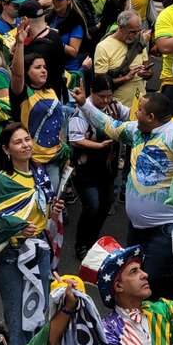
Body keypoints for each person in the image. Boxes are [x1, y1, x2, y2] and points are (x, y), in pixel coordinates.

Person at [71, 84, 173, 301]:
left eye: (140, 110)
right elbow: (108, 125)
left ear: (151, 117)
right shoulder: (135, 131)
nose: (135, 113)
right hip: (138, 228)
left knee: (148, 277)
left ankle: (172, 312)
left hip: (169, 227)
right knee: (151, 276)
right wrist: (84, 104)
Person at [0, 123, 65, 345]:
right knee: (17, 318)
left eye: (27, 139)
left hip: (40, 250)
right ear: (6, 149)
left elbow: (43, 212)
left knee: (39, 313)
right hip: (11, 254)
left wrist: (54, 210)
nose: (25, 145)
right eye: (18, 142)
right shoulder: (1, 181)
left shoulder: (41, 174)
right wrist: (18, 228)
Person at [69, 75, 129, 260]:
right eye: (101, 96)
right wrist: (99, 146)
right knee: (92, 206)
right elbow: (75, 139)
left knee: (105, 205)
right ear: (92, 93)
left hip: (108, 168)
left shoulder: (115, 107)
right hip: (85, 169)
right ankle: (81, 244)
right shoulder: (81, 110)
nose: (106, 100)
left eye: (109, 96)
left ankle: (93, 241)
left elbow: (130, 117)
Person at [10, 23, 67, 188]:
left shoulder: (50, 90)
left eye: (44, 67)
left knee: (53, 200)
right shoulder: (22, 93)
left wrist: (64, 150)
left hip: (54, 158)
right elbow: (17, 74)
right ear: (27, 72)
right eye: (37, 67)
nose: (43, 70)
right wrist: (20, 43)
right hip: (31, 161)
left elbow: (59, 121)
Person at [93, 9, 151, 109]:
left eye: (138, 31)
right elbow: (101, 84)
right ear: (120, 27)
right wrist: (126, 78)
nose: (136, 35)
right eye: (132, 32)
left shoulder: (139, 42)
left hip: (140, 106)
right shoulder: (103, 47)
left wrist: (146, 73)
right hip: (116, 107)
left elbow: (148, 70)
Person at [22, 0, 69, 100]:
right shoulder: (54, 35)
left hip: (42, 101)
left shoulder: (36, 50)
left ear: (25, 20)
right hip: (57, 94)